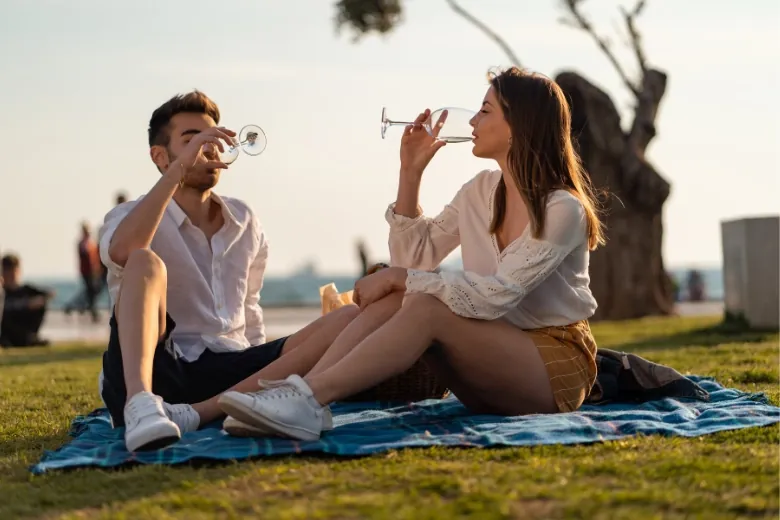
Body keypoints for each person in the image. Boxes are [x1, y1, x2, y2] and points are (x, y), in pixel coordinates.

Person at [215, 67, 606, 441]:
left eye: (485, 111)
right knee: (404, 297)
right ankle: (301, 396)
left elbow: (497, 294)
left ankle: (308, 398)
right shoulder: (480, 190)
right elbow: (414, 261)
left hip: (552, 371)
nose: (471, 123)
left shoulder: (562, 209)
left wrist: (401, 278)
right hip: (489, 364)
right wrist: (410, 173)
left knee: (422, 303)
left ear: (520, 124)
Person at [98, 90, 359, 452]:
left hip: (231, 372)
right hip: (158, 371)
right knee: (144, 260)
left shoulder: (244, 219)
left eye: (213, 139)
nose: (209, 148)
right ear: (160, 156)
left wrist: (262, 366)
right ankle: (141, 405)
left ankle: (217, 410)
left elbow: (250, 308)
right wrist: (178, 171)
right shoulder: (130, 216)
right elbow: (125, 251)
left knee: (350, 317)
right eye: (192, 140)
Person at [0, 254, 55, 347]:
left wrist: (36, 302)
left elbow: (49, 294)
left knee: (40, 302)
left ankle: (30, 337)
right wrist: (25, 305)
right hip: (6, 332)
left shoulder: (27, 291)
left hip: (26, 329)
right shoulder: (2, 293)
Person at [64, 222, 102, 322]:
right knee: (90, 292)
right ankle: (92, 312)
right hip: (87, 272)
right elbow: (86, 258)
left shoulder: (90, 243)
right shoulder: (83, 244)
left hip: (92, 272)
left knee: (91, 292)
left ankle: (76, 307)